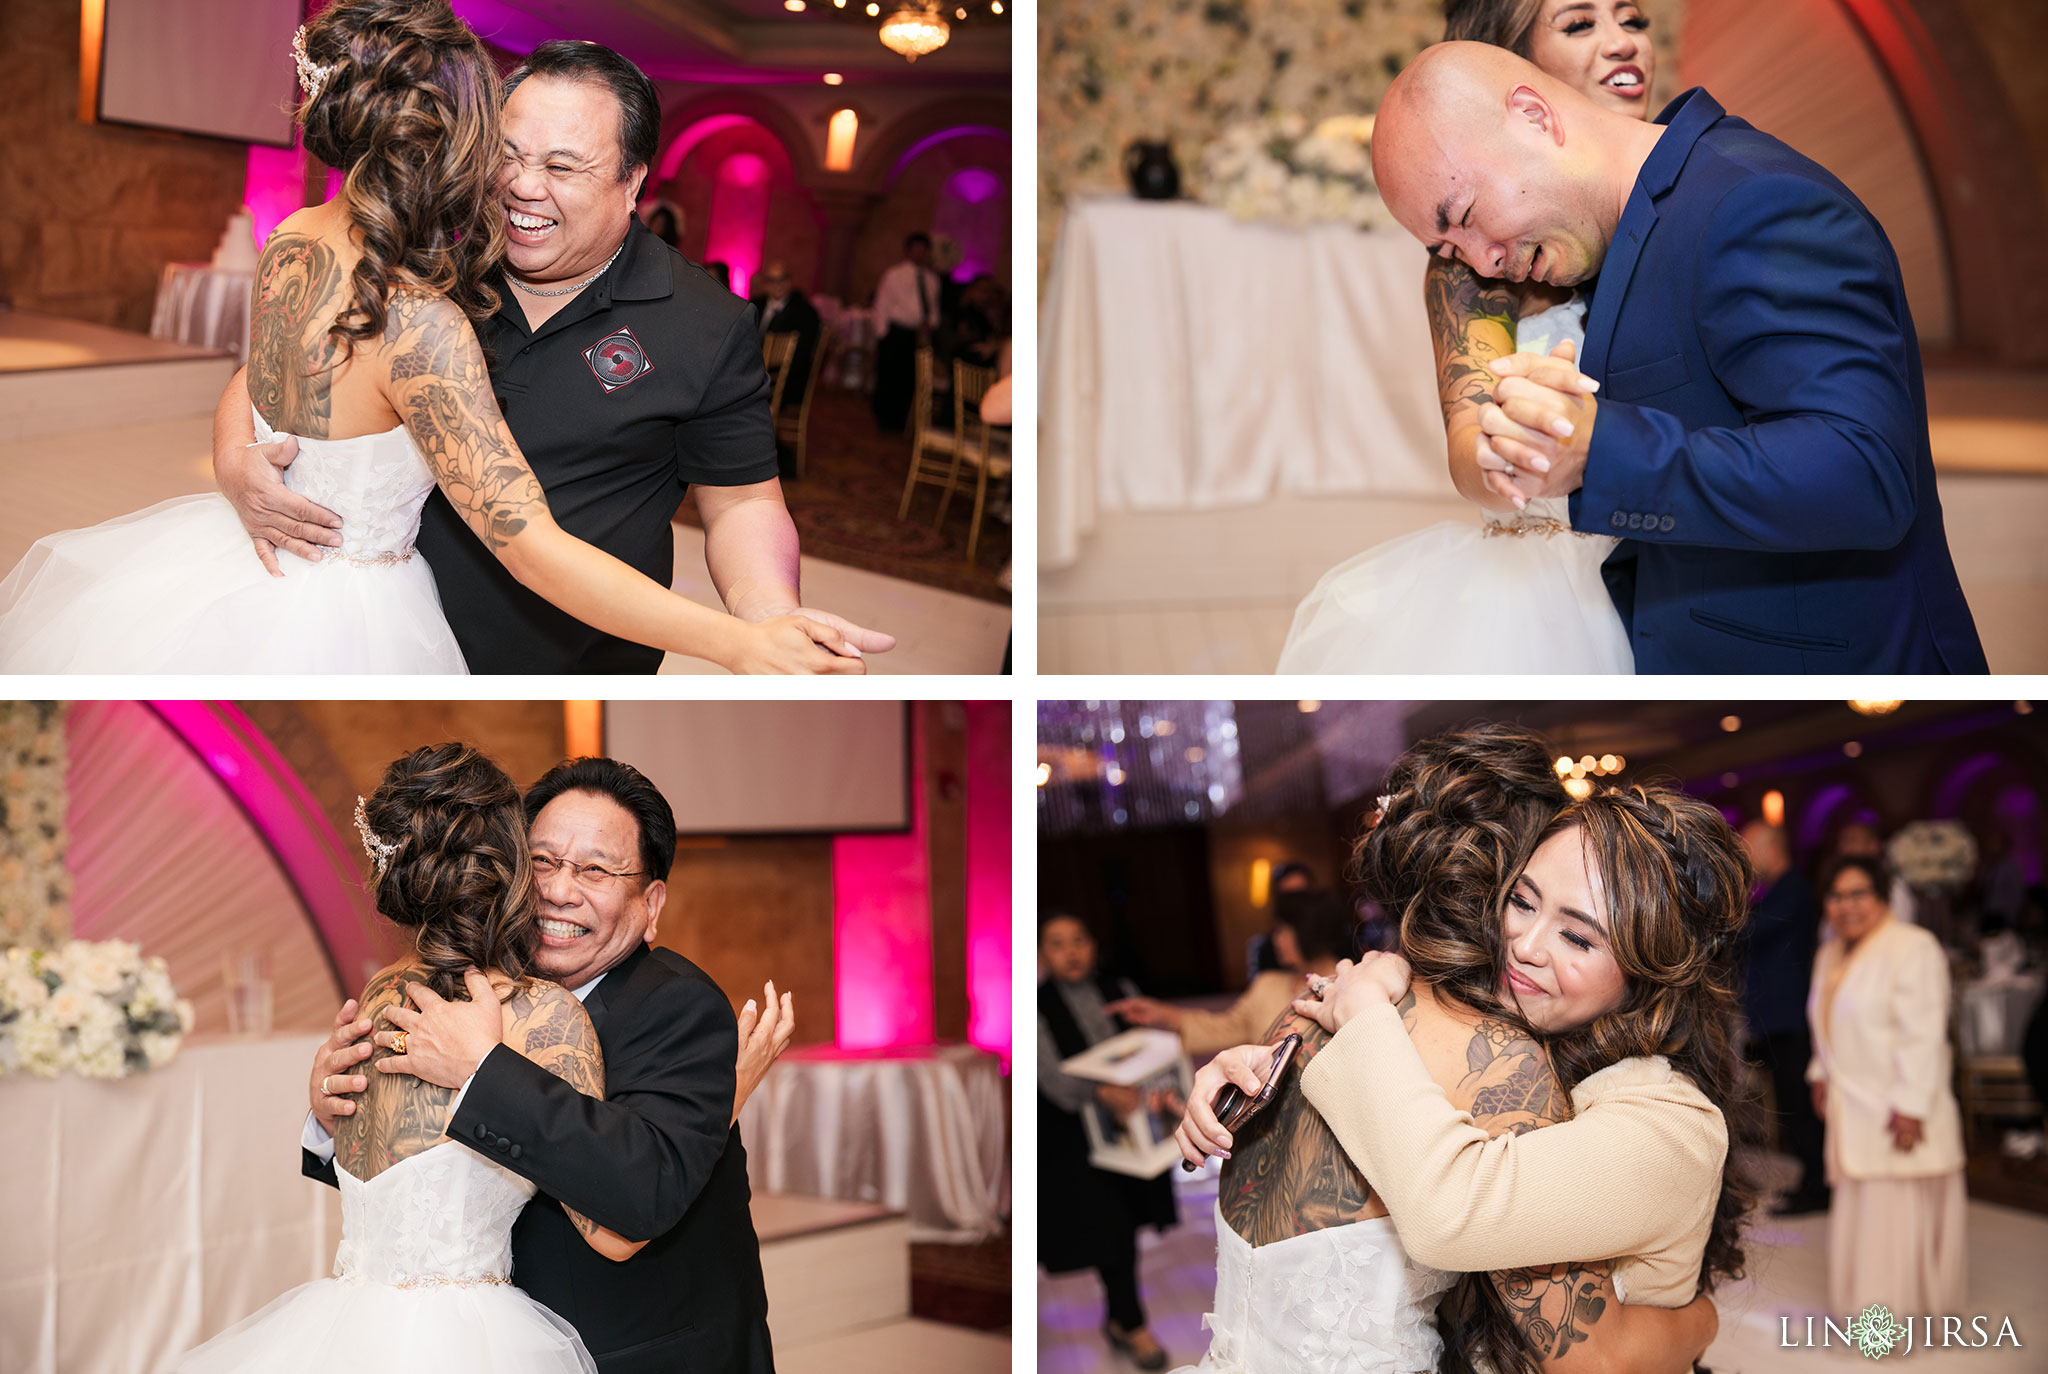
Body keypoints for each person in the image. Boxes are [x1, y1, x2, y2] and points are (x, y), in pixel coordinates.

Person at [193, 18, 892, 674]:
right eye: (508, 156)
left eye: (563, 167)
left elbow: (743, 500)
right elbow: (286, 361)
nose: (524, 187)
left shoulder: (706, 322)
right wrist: (234, 457)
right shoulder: (428, 259)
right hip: (394, 629)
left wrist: (764, 616)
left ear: (633, 181)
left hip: (572, 655)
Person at [1354, 36, 1987, 672]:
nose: (1484, 259)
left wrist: (1598, 455)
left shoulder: (1758, 203)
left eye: (1464, 213)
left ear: (1534, 115)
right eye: (1452, 248)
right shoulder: (1608, 227)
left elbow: (1863, 473)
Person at [1177, 729, 1748, 1374]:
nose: (1526, 944)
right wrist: (1260, 1066)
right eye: (1522, 901)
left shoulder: (1664, 1119)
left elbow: (1459, 1213)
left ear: (1649, 972)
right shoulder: (1509, 1054)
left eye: (1578, 938)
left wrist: (1703, 1320)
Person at [300, 752, 788, 1373]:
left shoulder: (679, 1005)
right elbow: (414, 1167)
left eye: (595, 870)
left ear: (652, 903)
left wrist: (485, 1069)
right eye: (544, 863)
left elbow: (640, 1198)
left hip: (639, 1350)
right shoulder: (471, 987)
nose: (559, 891)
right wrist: (329, 1111)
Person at [174, 745, 615, 1371]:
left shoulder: (379, 994)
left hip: (341, 1330)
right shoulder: (545, 1018)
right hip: (471, 1342)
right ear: (511, 868)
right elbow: (614, 1228)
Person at [1279, 0, 1652, 674]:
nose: (1620, 43)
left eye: (1632, 20)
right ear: (1515, 80)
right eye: (1578, 25)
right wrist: (1503, 450)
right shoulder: (1477, 268)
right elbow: (1467, 439)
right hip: (1555, 598)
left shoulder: (1687, 205)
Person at [1808, 853, 1968, 1317]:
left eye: (1859, 894)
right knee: (1863, 1215)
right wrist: (1820, 1073)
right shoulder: (1830, 952)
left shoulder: (1912, 946)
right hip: (1852, 1103)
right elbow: (1824, 1023)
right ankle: (1866, 1311)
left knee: (1893, 1217)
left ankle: (1900, 1317)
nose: (1847, 906)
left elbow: (1924, 1033)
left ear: (1881, 897)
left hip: (1897, 1107)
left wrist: (1911, 1108)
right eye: (1836, 896)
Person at [1039, 913, 1177, 1371]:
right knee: (1110, 1230)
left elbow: (1154, 1050)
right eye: (1057, 944)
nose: (1071, 951)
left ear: (1093, 945)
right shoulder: (1036, 1005)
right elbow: (1049, 1075)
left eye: (1079, 940)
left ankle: (1119, 1318)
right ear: (1042, 954)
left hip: (1136, 1129)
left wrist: (1154, 1090)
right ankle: (1132, 1324)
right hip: (1075, 1139)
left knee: (1127, 1228)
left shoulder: (1123, 992)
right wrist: (1100, 1091)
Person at [1107, 889, 1357, 1056]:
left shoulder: (1349, 986)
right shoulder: (1268, 984)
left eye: (1282, 930)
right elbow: (1226, 1027)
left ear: (1307, 932)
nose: (1275, 938)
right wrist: (1161, 1013)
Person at [1739, 819, 1830, 1214]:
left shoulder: (1792, 890)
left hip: (1789, 1016)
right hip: (1776, 1016)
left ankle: (1817, 1186)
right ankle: (1812, 1183)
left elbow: (1751, 934)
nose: (1747, 856)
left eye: (1749, 848)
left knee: (1799, 1105)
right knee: (1790, 1102)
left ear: (1771, 847)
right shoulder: (1777, 891)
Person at [870, 232, 941, 432]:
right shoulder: (894, 274)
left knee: (908, 379)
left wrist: (931, 323)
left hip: (917, 335)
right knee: (888, 377)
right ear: (908, 251)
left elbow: (933, 308)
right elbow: (882, 304)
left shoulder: (932, 279)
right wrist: (883, 334)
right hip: (895, 332)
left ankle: (899, 421)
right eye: (916, 249)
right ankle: (883, 419)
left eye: (923, 250)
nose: (920, 254)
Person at [749, 262, 822, 408]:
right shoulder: (754, 306)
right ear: (765, 284)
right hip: (751, 373)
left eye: (782, 279)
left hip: (784, 380)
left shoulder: (804, 312)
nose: (778, 285)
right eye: (772, 280)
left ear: (789, 282)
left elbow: (802, 353)